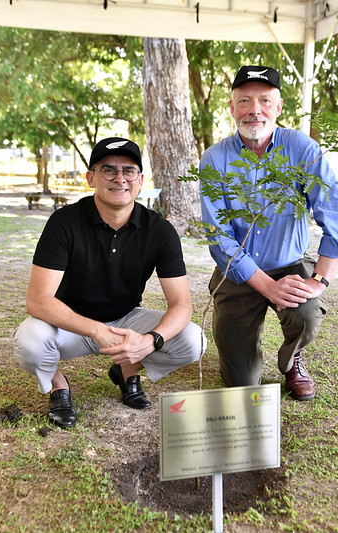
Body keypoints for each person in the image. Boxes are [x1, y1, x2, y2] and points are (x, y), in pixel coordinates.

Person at [14, 137, 205, 427]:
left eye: (128, 171)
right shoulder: (64, 222)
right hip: (68, 324)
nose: (120, 178)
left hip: (125, 319)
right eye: (108, 169)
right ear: (91, 177)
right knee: (30, 342)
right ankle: (58, 385)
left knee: (192, 341)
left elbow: (181, 305)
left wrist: (149, 341)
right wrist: (95, 330)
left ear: (140, 180)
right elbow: (38, 300)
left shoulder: (160, 230)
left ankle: (128, 369)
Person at [199, 65, 338, 401]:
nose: (254, 110)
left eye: (264, 101)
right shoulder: (215, 159)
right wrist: (267, 287)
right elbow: (219, 235)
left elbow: (337, 212)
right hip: (237, 270)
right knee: (242, 386)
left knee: (306, 314)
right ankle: (244, 360)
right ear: (232, 108)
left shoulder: (301, 149)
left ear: (279, 107)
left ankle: (291, 360)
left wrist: (320, 281)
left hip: (289, 263)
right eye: (244, 101)